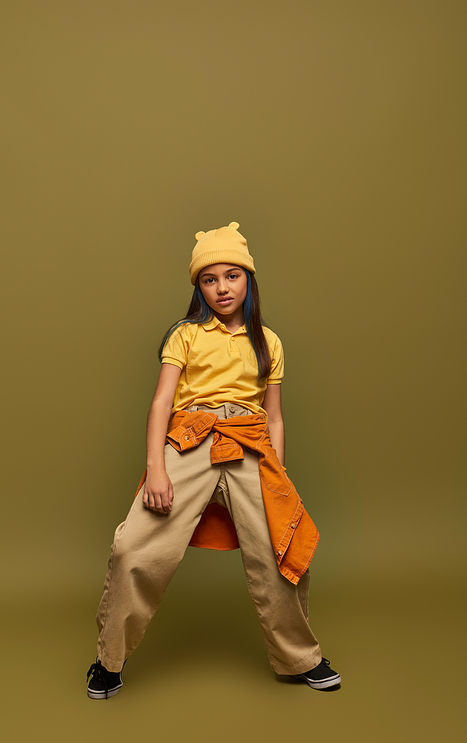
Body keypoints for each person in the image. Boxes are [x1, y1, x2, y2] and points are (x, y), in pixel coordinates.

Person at [86, 221, 341, 699]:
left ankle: (298, 657)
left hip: (250, 445)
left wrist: (276, 473)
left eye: (232, 276)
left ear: (249, 279)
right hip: (189, 440)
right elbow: (162, 403)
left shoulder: (269, 341)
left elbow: (275, 416)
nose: (222, 287)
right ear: (198, 286)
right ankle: (108, 660)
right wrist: (157, 467)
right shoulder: (184, 335)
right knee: (132, 548)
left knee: (280, 551)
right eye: (210, 279)